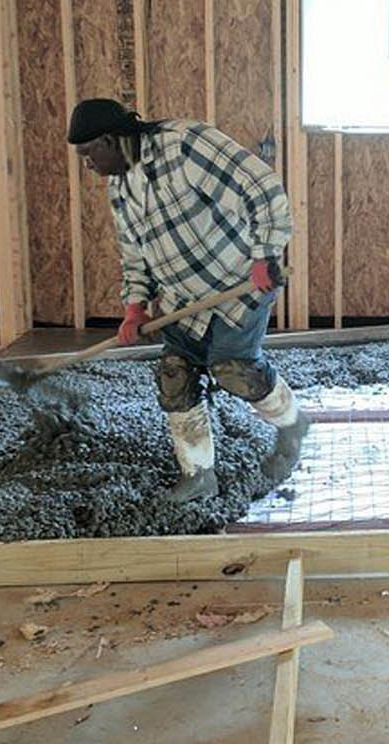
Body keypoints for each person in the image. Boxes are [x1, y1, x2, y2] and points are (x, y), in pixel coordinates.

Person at [68, 98, 309, 503]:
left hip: (239, 284)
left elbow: (261, 187)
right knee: (175, 376)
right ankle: (198, 475)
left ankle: (292, 424)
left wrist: (265, 254)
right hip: (183, 300)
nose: (88, 164)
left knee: (233, 370)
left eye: (89, 153)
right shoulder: (120, 188)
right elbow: (134, 254)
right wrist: (135, 307)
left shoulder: (183, 145)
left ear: (110, 140)